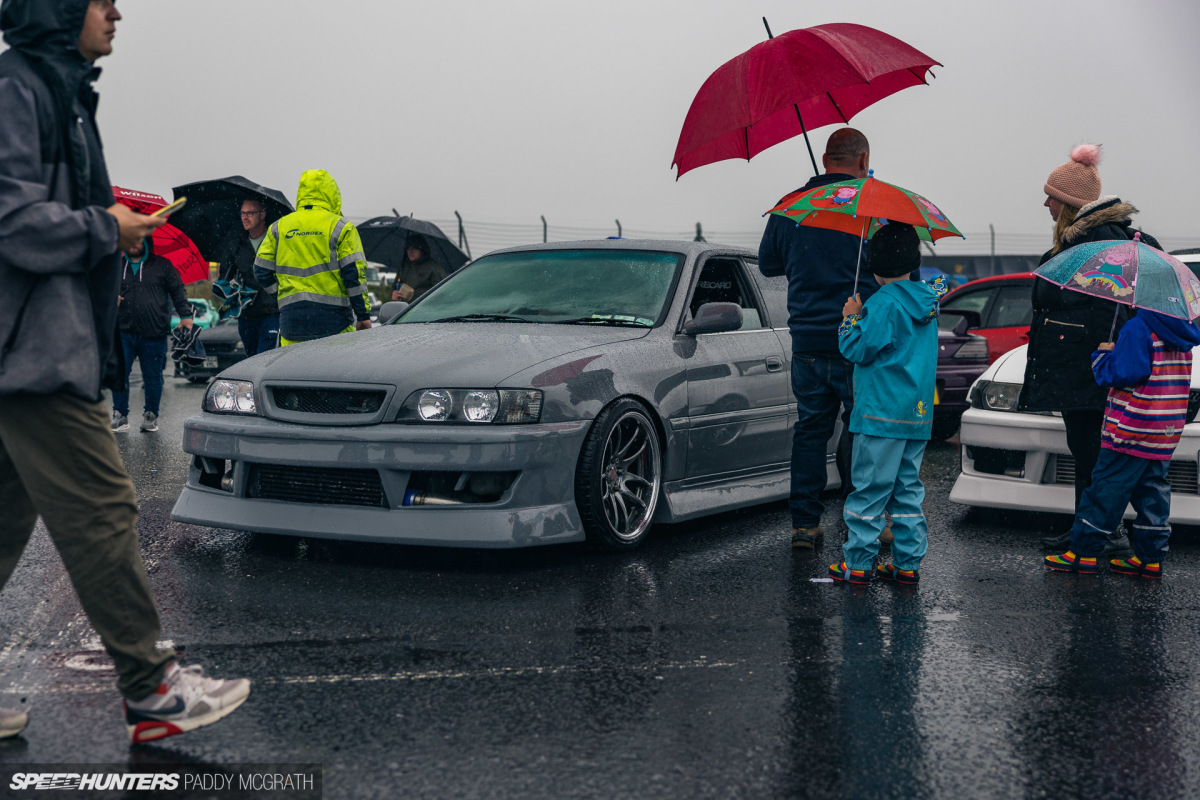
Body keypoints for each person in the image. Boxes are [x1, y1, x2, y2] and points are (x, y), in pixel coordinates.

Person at [0, 0, 249, 742]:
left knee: (5, 525)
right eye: (101, 0)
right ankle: (153, 690)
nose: (117, 12)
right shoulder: (23, 90)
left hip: (34, 346)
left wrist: (104, 218)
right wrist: (104, 225)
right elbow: (9, 218)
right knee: (106, 511)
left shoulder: (60, 93)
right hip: (31, 353)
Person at [1019, 144, 1160, 554]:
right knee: (1089, 451)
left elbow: (1107, 309)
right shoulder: (1087, 240)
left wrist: (1104, 358)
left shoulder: (1097, 242)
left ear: (1069, 203)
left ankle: (1100, 533)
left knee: (1095, 452)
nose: (1045, 202)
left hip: (1090, 370)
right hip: (1083, 368)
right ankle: (1089, 527)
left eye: (1052, 196)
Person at [758, 128, 886, 549]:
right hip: (859, 339)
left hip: (808, 340)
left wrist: (809, 251)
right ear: (862, 160)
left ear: (827, 159)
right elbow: (898, 271)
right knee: (861, 428)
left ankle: (804, 524)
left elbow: (768, 264)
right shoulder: (872, 208)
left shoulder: (793, 205)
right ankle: (861, 517)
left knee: (811, 430)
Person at [828, 223, 948, 585]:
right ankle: (908, 563)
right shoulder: (927, 301)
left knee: (870, 490)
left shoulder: (881, 303)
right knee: (907, 491)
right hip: (916, 415)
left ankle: (859, 564)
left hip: (879, 414)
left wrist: (851, 316)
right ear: (913, 263)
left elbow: (856, 349)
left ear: (875, 267)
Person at [1044, 306, 1200, 577]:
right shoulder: (1182, 332)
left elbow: (1120, 374)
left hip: (1132, 425)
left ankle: (1083, 553)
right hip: (1164, 427)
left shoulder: (1139, 328)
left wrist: (1103, 355)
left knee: (1106, 487)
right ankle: (1150, 558)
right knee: (1152, 490)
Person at [254, 169, 372, 344]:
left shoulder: (279, 227)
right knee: (332, 370)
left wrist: (282, 294)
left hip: (291, 321)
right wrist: (363, 315)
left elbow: (261, 270)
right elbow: (353, 274)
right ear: (332, 194)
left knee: (293, 370)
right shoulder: (341, 227)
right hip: (334, 321)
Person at [112, 237, 194, 433]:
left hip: (154, 332)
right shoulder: (115, 266)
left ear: (146, 242)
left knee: (152, 376)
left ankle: (151, 415)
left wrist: (185, 315)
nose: (133, 244)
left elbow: (177, 290)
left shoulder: (162, 265)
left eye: (138, 240)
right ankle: (120, 414)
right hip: (122, 331)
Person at [218, 197, 279, 354]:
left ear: (262, 214)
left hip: (272, 313)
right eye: (243, 213)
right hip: (246, 315)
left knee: (264, 359)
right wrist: (232, 289)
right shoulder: (235, 245)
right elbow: (224, 278)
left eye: (250, 213)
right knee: (251, 360)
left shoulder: (276, 241)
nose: (245, 217)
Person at [392, 234, 446, 303]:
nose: (411, 251)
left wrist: (413, 296)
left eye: (414, 248)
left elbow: (440, 293)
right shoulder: (403, 266)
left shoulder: (434, 268)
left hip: (424, 309)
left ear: (422, 250)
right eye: (408, 248)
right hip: (404, 309)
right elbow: (395, 286)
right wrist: (394, 294)